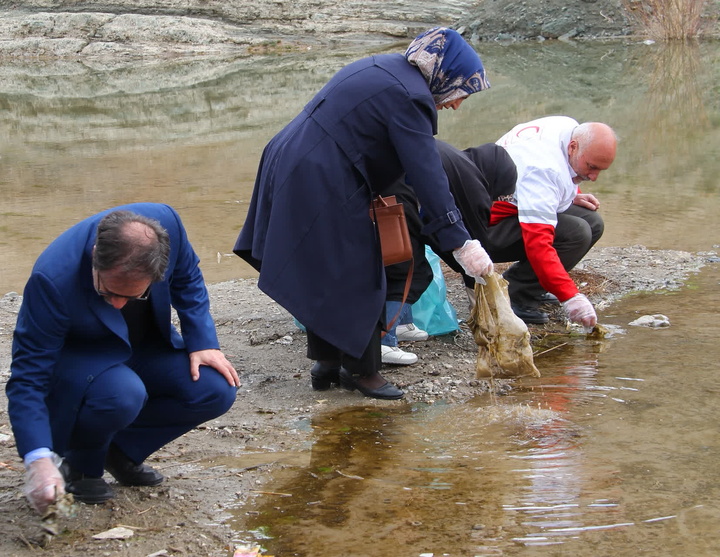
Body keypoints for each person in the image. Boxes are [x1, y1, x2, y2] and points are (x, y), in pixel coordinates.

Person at [234, 27, 495, 400]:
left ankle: (326, 363)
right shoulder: (410, 96)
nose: (455, 104)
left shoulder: (385, 67)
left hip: (292, 159)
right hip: (321, 174)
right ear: (444, 74)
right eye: (459, 93)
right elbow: (427, 173)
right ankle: (362, 371)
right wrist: (459, 241)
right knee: (362, 269)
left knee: (326, 267)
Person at [6, 203, 240, 514]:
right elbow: (27, 377)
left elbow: (188, 279)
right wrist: (38, 458)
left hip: (142, 345)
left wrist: (203, 342)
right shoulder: (51, 279)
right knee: (123, 394)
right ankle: (81, 465)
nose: (117, 304)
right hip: (82, 357)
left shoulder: (168, 224)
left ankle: (119, 450)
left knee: (215, 387)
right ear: (94, 258)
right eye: (107, 292)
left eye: (132, 296)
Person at [491, 116, 617, 327]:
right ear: (573, 147)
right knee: (578, 232)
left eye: (600, 171)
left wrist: (571, 194)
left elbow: (557, 176)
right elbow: (538, 244)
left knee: (593, 222)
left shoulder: (566, 127)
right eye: (591, 167)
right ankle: (516, 296)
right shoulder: (542, 169)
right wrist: (571, 297)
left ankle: (531, 286)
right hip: (487, 228)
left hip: (513, 204)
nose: (594, 177)